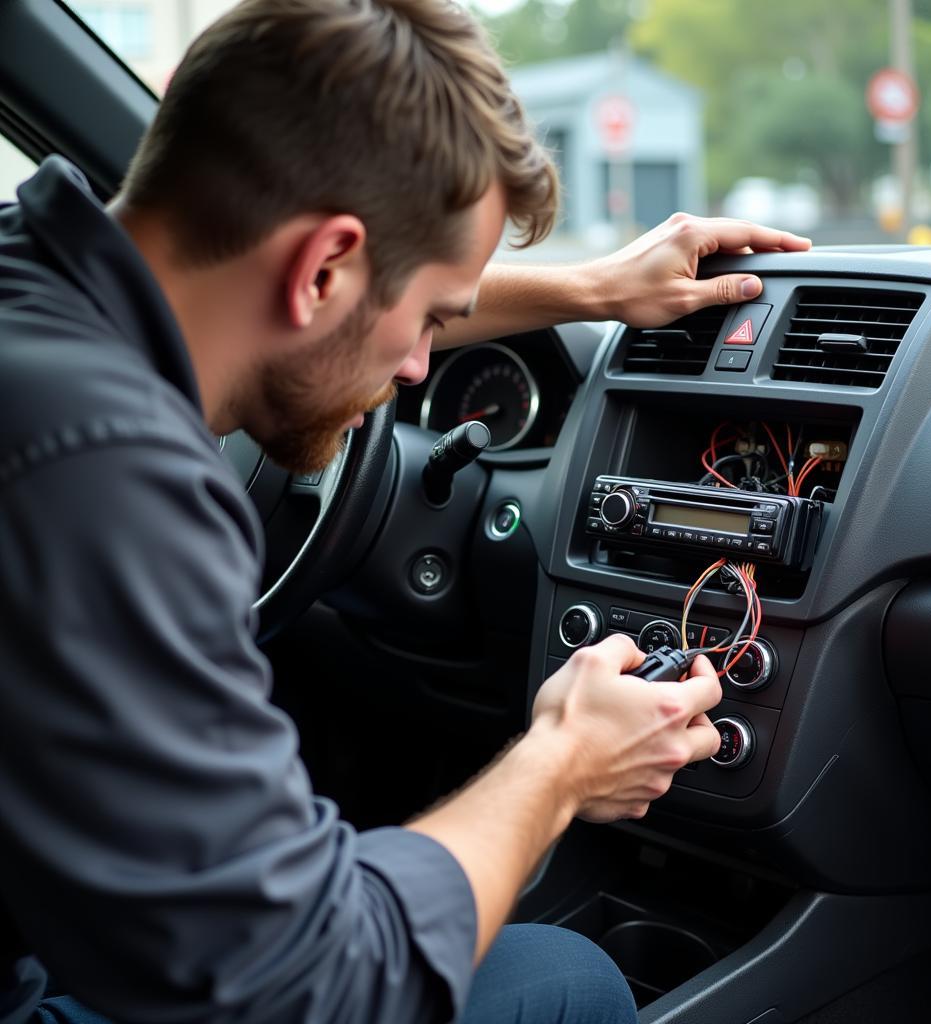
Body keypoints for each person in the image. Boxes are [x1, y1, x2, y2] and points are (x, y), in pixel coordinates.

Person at [0, 0, 812, 1021]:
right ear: (325, 268)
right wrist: (560, 762)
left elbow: (360, 295)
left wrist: (593, 289)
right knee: (574, 985)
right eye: (431, 319)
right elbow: (313, 981)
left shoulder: (31, 289)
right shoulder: (111, 478)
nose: (423, 367)